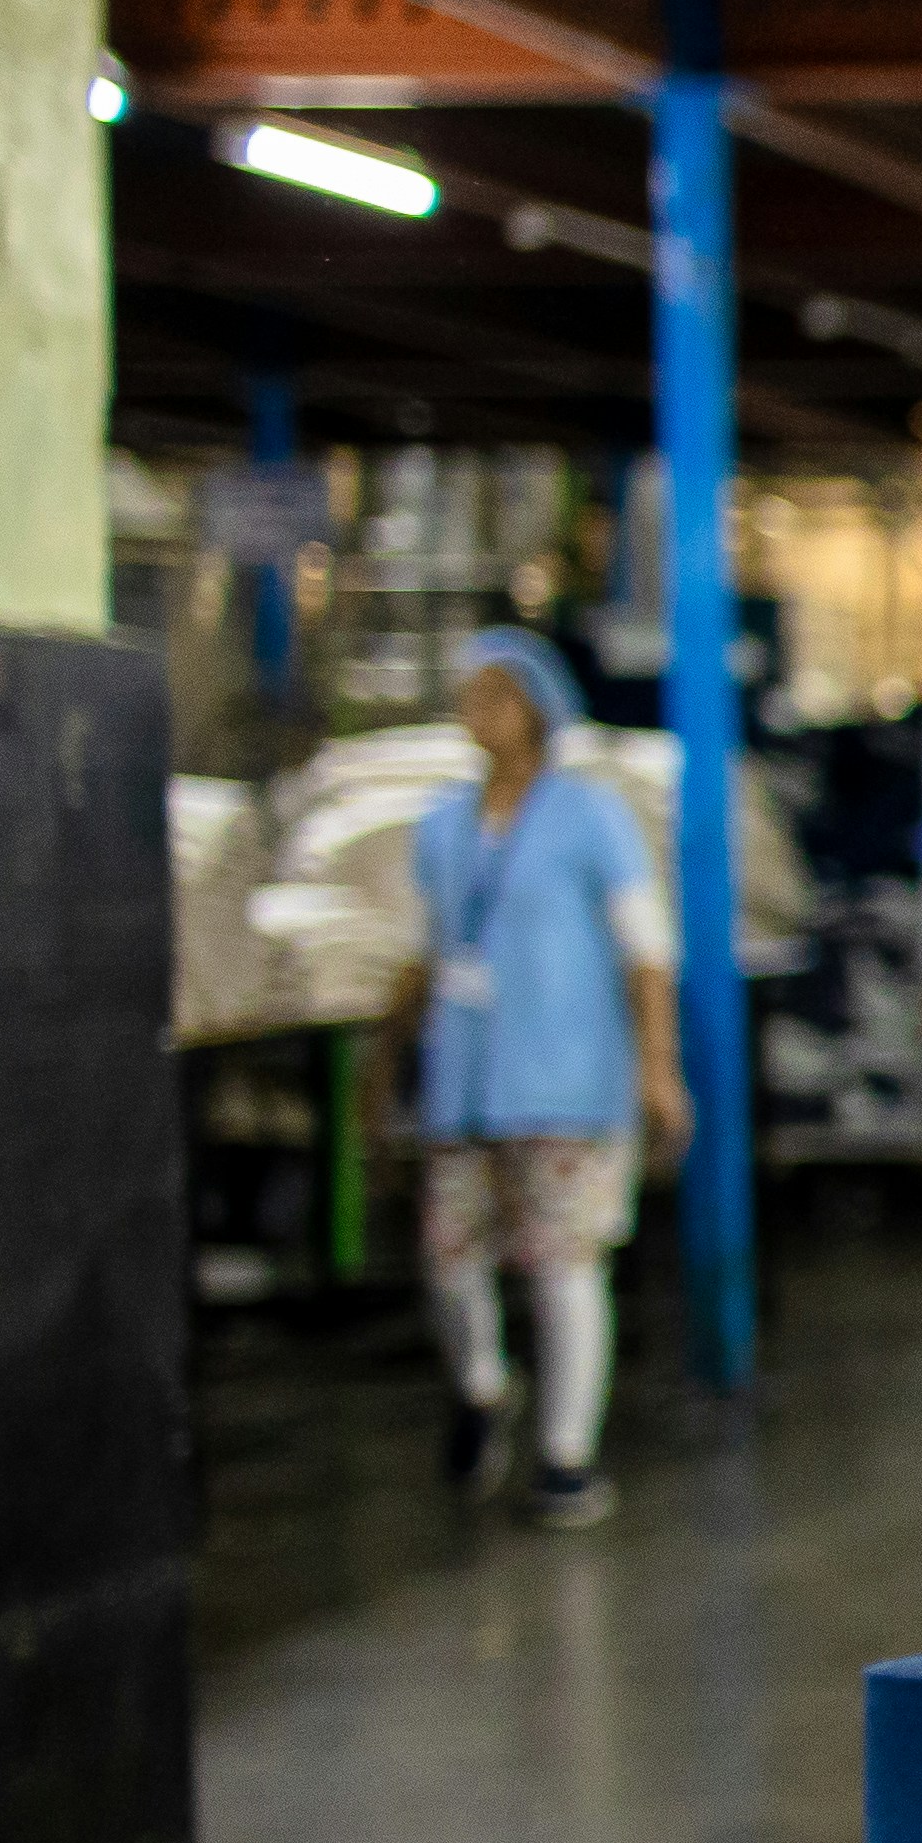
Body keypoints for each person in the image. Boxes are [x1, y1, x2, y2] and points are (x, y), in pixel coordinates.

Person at [391, 628, 683, 1530]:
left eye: (496, 695)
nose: (478, 712)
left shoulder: (592, 817)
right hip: (466, 1078)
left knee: (563, 1264)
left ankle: (567, 1454)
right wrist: (386, 1057)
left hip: (565, 1076)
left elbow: (646, 951)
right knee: (450, 1255)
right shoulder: (441, 824)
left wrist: (658, 1067)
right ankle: (483, 1384)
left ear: (538, 708)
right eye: (468, 695)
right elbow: (418, 951)